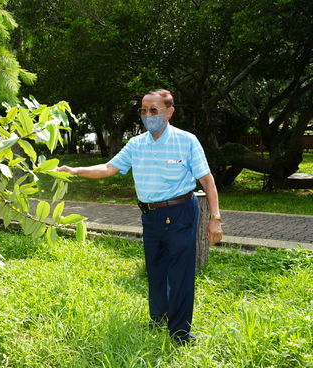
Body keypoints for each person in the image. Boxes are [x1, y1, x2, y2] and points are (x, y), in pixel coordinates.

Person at [57, 89, 222, 345]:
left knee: (179, 272)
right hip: (150, 214)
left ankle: (180, 333)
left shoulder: (186, 141)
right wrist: (76, 169)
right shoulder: (137, 144)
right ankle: (158, 318)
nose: (147, 115)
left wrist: (215, 218)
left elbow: (207, 180)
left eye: (153, 110)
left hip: (180, 212)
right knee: (155, 268)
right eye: (143, 111)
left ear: (169, 112)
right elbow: (109, 168)